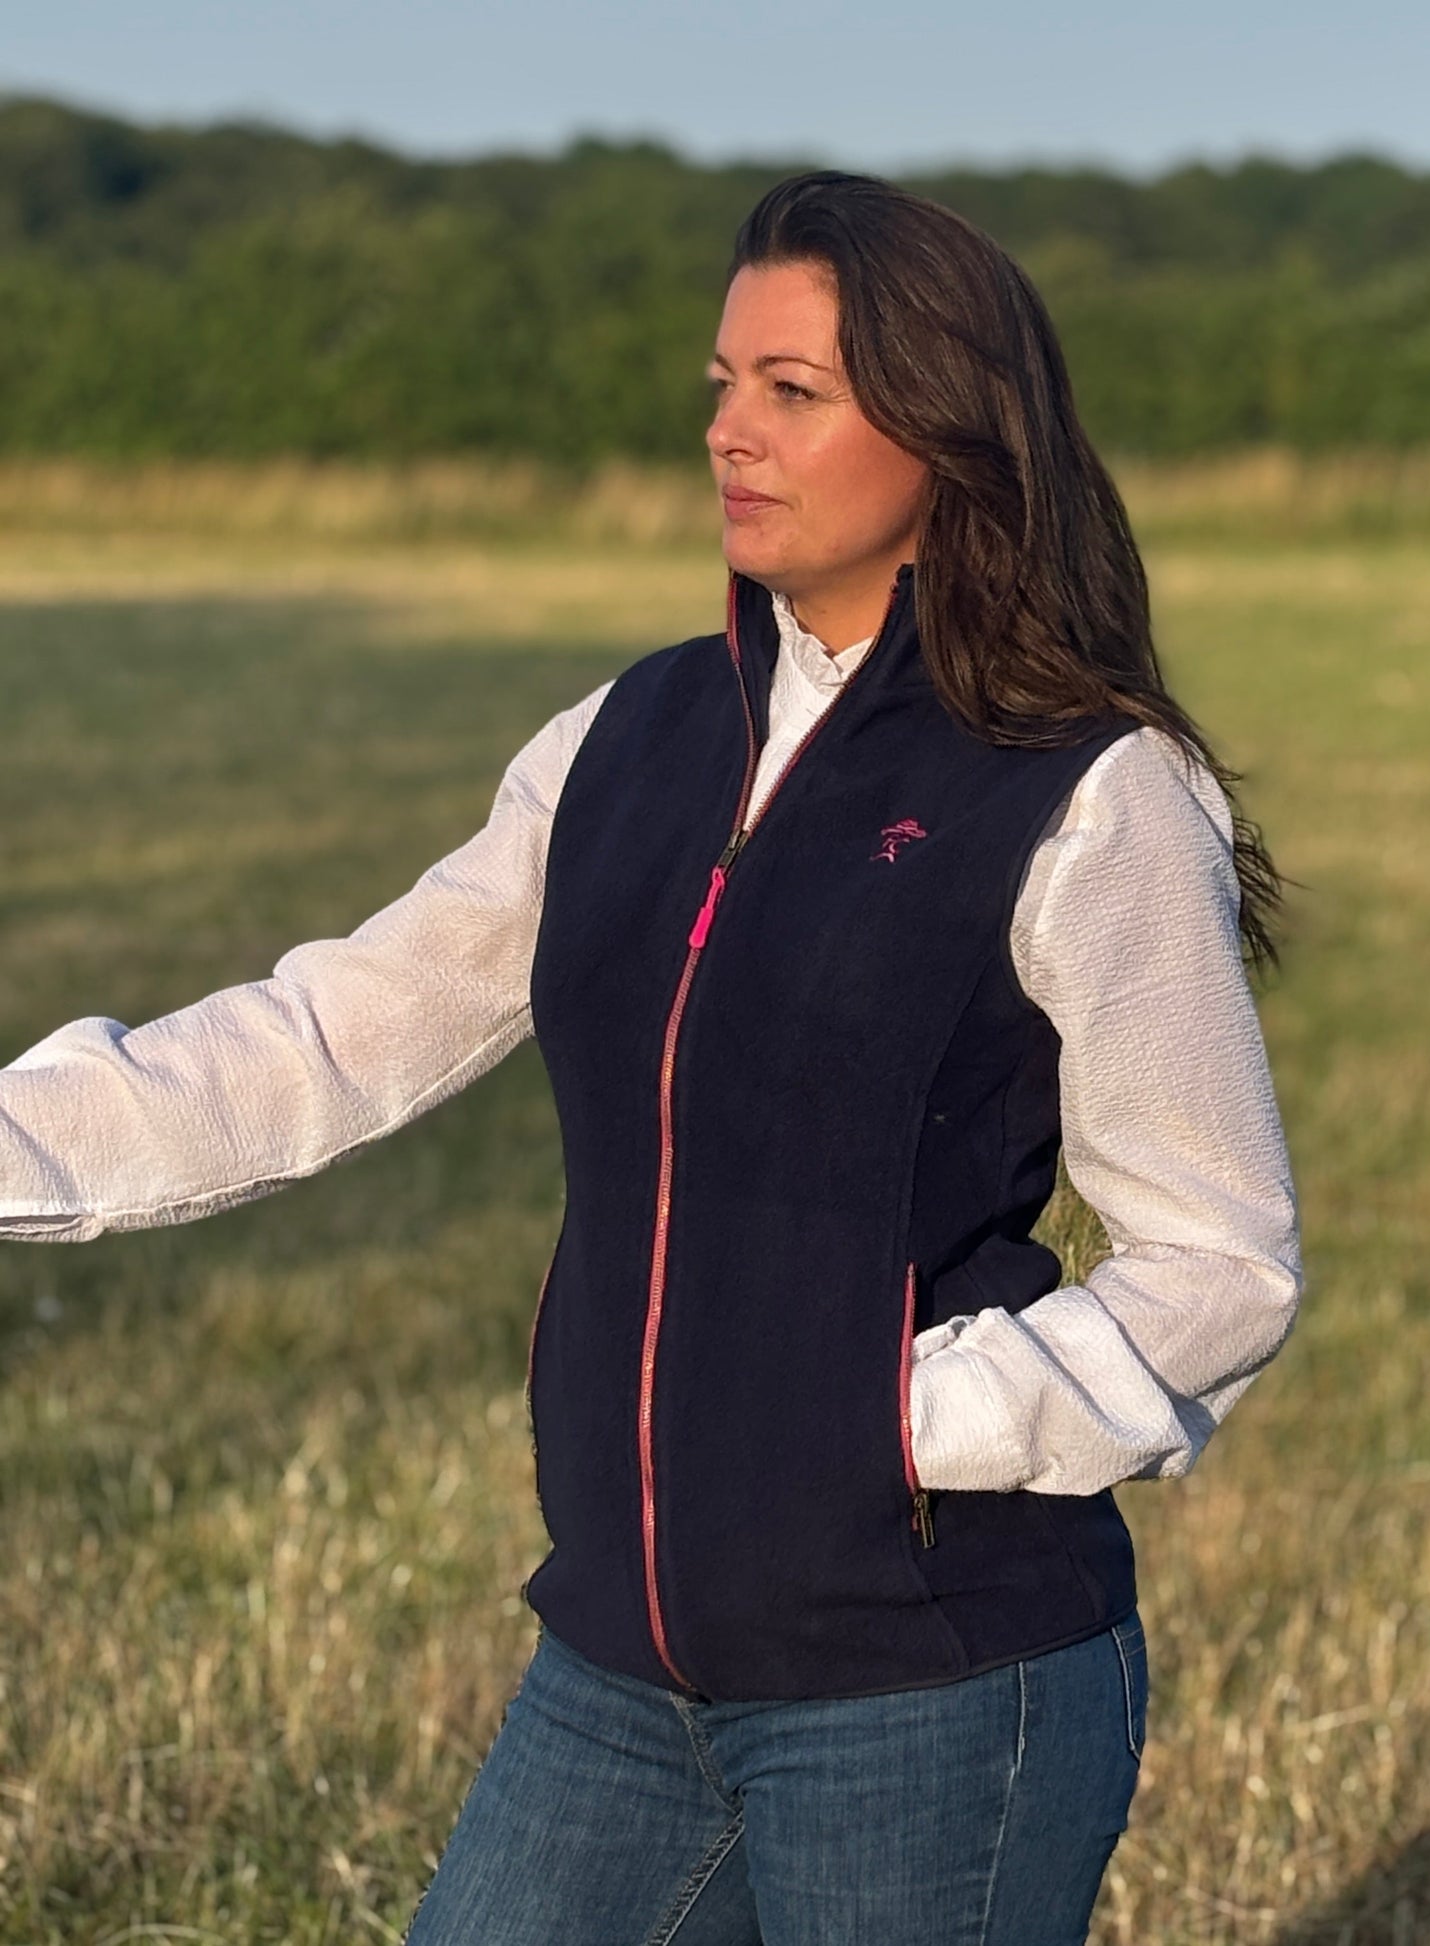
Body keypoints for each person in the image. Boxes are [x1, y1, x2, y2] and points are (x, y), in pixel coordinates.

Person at [0, 171, 1302, 1944]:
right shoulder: (620, 740)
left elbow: (1218, 1259)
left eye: (791, 391)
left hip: (927, 1680)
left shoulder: (1084, 787)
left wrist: (902, 1421)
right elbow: (319, 1040)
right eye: (719, 383)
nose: (727, 433)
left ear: (947, 433)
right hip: (617, 1661)